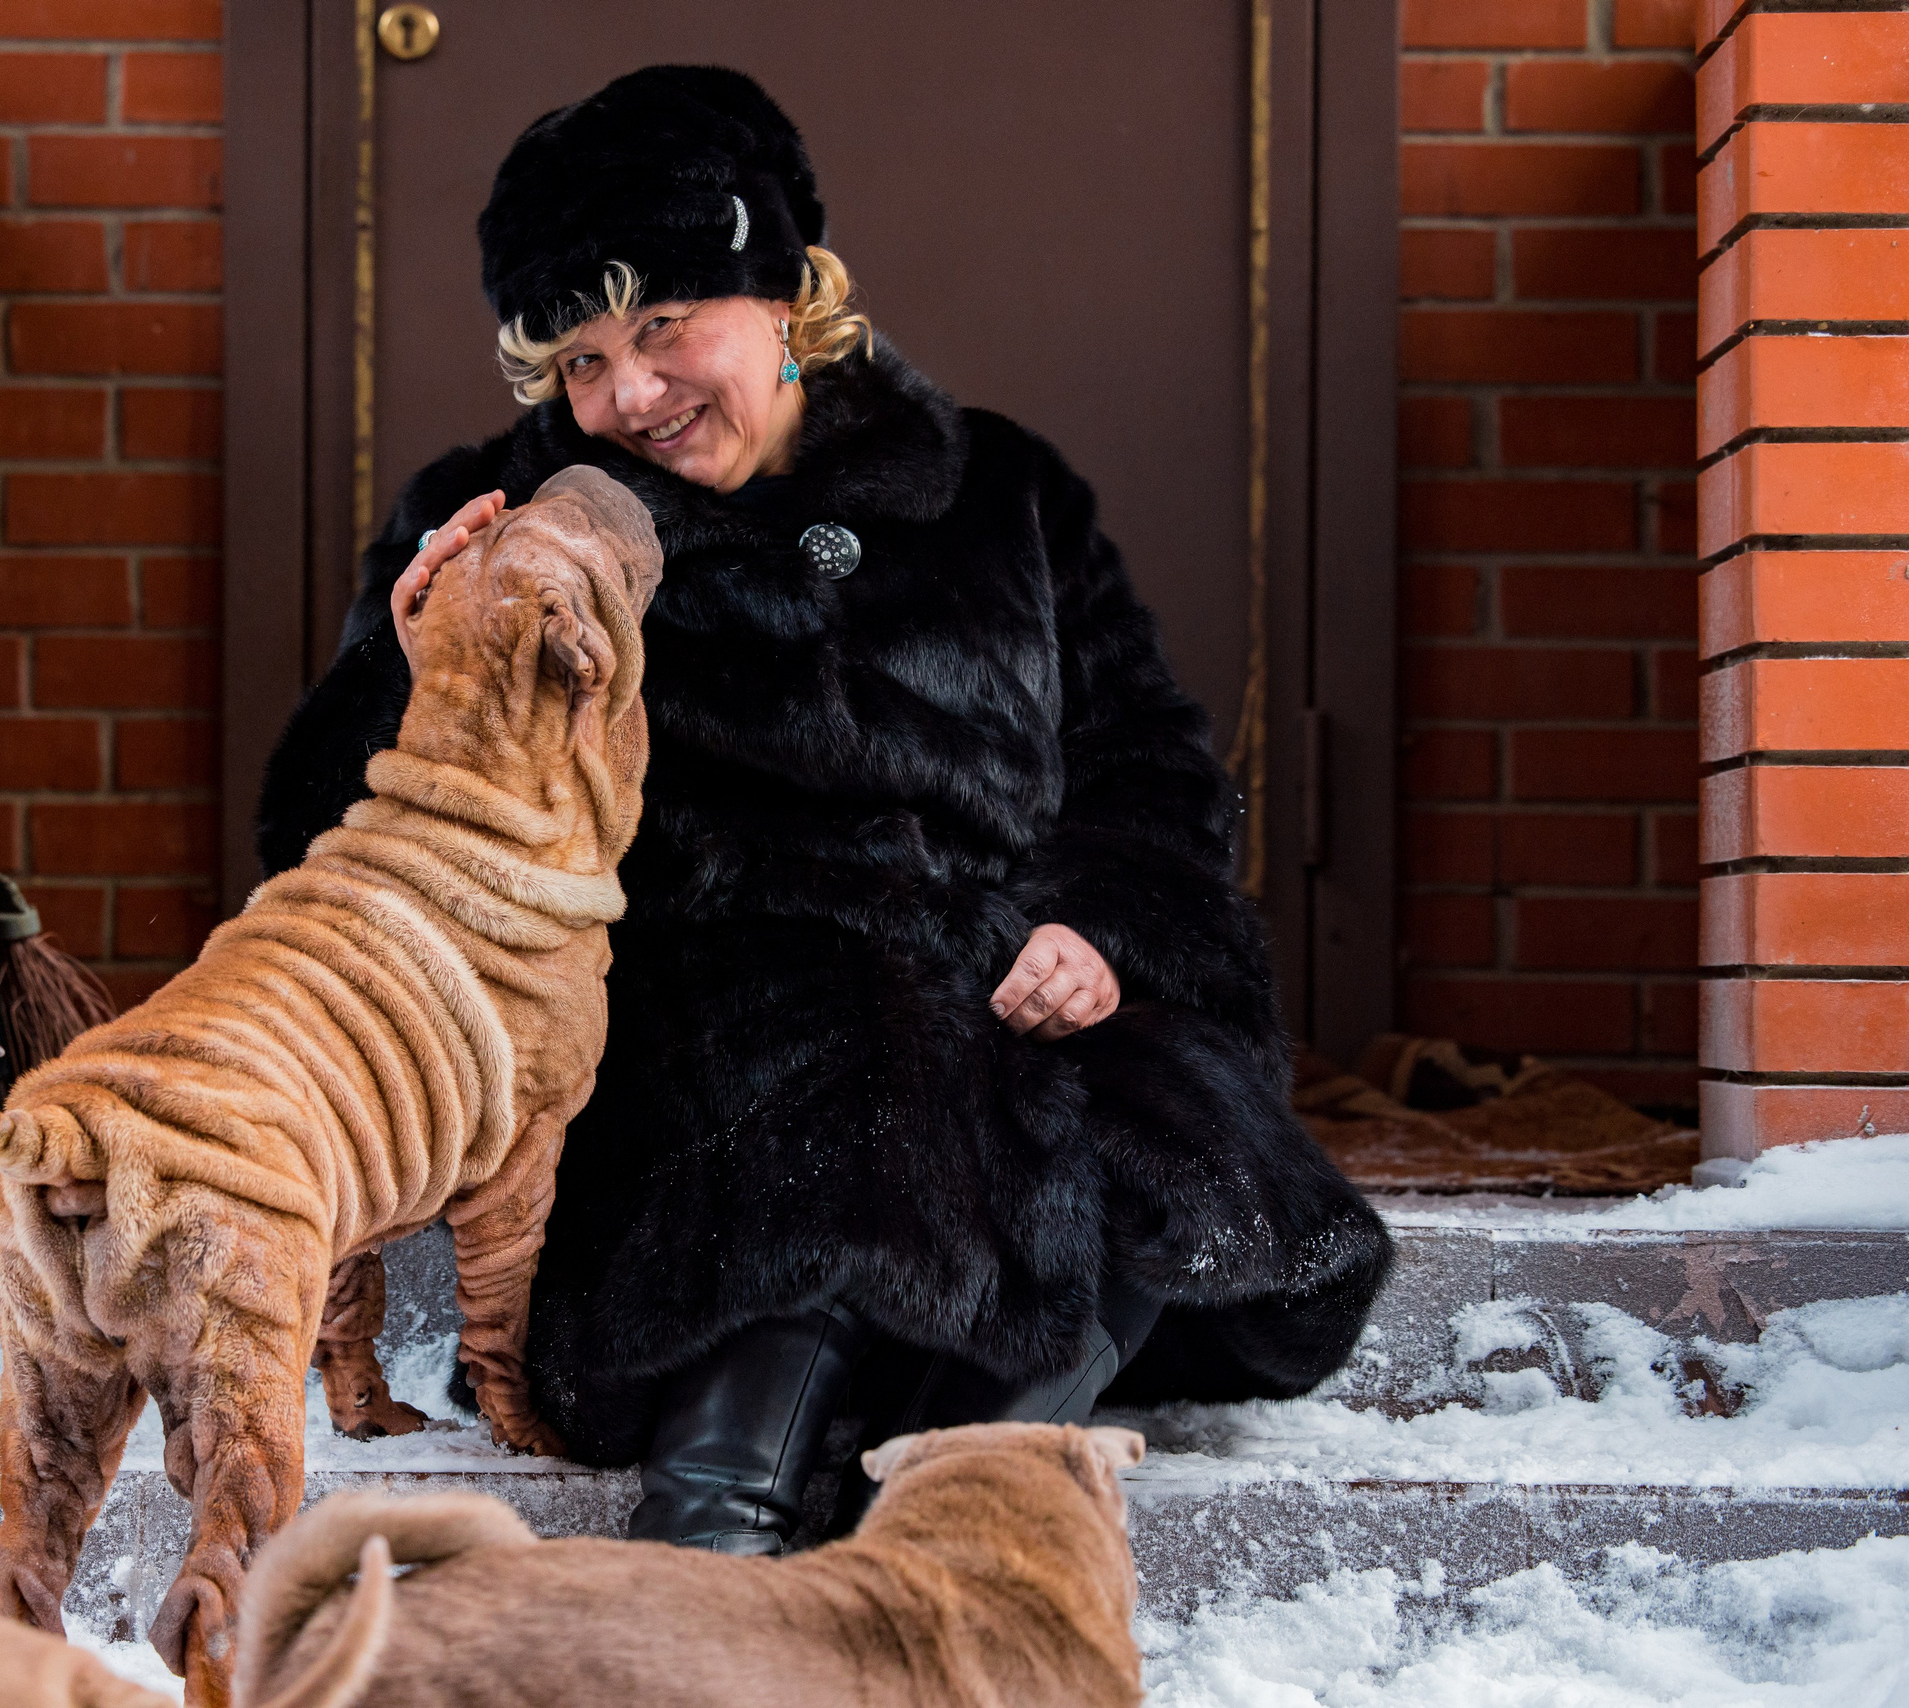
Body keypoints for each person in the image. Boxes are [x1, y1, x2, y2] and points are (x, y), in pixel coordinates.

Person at [258, 65, 1391, 1555]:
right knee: (839, 1074)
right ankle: (716, 1537)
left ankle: (936, 1481)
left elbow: (1148, 770)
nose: (631, 397)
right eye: (583, 362)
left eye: (666, 328)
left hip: (990, 985)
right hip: (691, 1019)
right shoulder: (509, 529)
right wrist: (409, 677)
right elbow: (328, 841)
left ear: (787, 292)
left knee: (1153, 1101)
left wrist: (1099, 927)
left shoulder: (1002, 494)